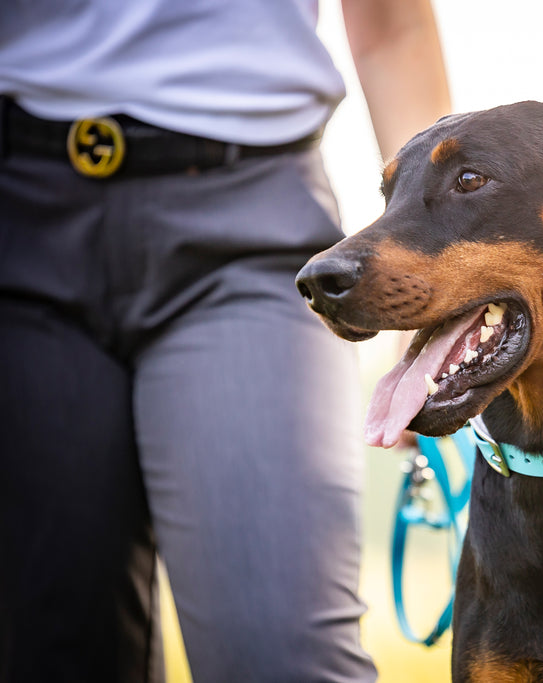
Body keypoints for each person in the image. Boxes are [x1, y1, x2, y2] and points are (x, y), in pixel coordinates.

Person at [0, 0, 450, 680]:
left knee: (281, 656)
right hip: (19, 226)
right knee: (51, 646)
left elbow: (391, 27)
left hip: (252, 225)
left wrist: (427, 281)